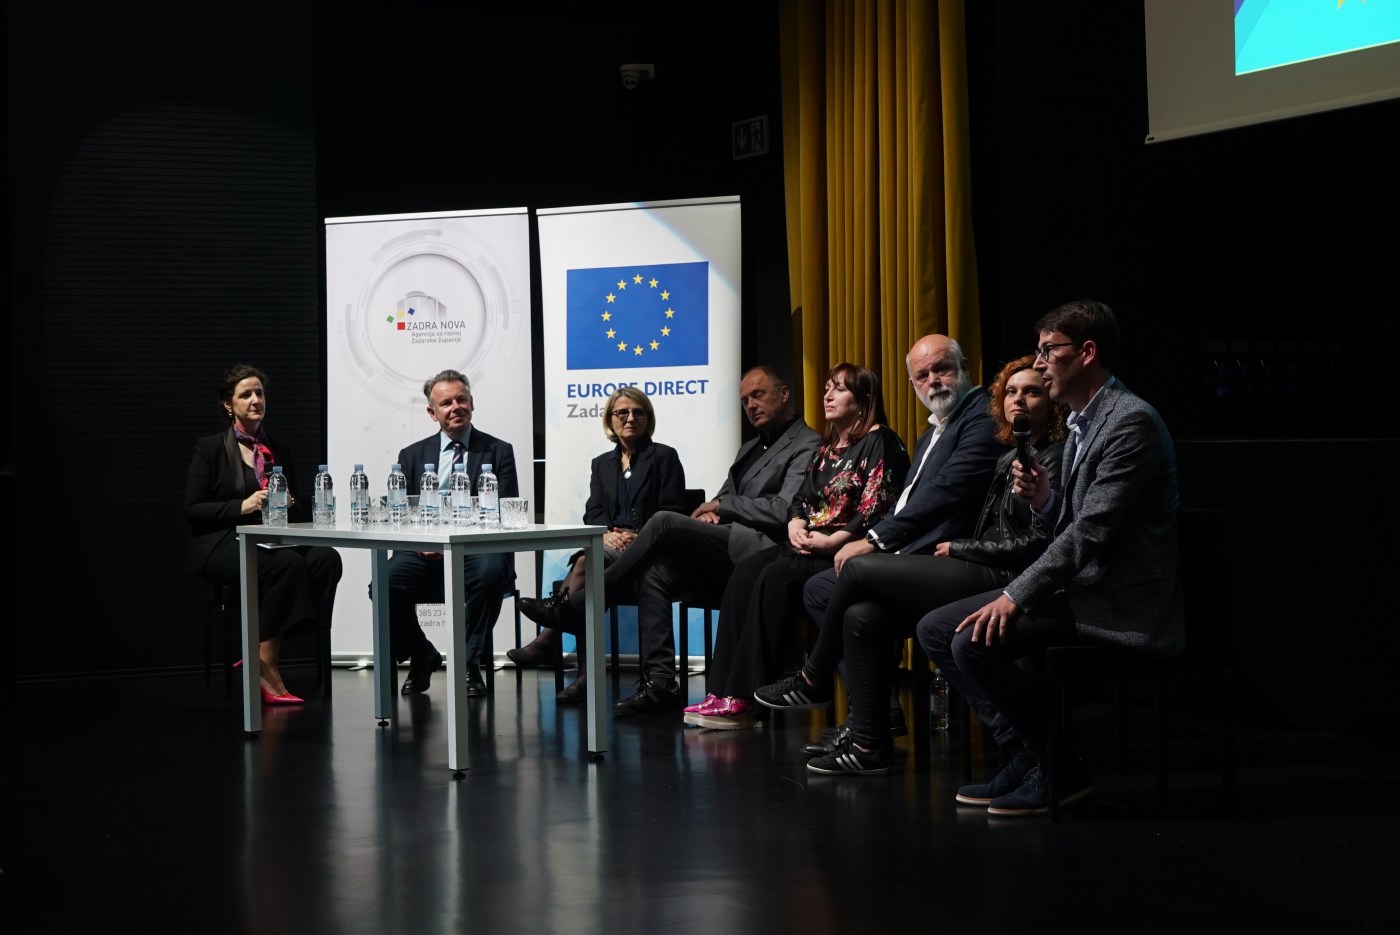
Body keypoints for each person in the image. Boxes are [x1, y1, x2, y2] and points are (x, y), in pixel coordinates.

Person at [918, 300, 1182, 815]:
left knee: (972, 643)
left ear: (1087, 353)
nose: (1039, 364)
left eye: (1047, 351)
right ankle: (1029, 754)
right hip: (1081, 587)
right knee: (934, 629)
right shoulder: (1085, 420)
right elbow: (1073, 523)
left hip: (1117, 600)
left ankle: (1058, 769)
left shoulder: (1129, 421)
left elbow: (1090, 534)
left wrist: (1015, 596)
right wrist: (1045, 502)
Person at [754, 355, 1067, 772]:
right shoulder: (994, 454)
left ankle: (814, 676)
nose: (1019, 400)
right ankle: (868, 742)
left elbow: (1028, 536)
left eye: (1031, 392)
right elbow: (992, 525)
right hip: (969, 558)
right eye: (1011, 392)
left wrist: (947, 547)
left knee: (853, 571)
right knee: (859, 615)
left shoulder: (1047, 453)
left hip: (1001, 573)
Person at [518, 366, 822, 717]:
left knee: (663, 521)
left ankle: (579, 604)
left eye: (758, 395)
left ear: (784, 394)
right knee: (655, 570)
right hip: (727, 542)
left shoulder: (807, 443)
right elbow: (722, 496)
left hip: (762, 550)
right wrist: (711, 512)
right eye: (744, 401)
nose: (751, 405)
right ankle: (660, 682)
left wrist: (722, 507)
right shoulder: (750, 448)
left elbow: (784, 509)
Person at [758, 335, 1001, 731]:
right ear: (912, 384)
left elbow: (946, 493)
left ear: (966, 368)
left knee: (845, 575)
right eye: (922, 375)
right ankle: (872, 726)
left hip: (951, 556)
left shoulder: (981, 417)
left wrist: (872, 541)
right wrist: (799, 523)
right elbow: (901, 501)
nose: (933, 381)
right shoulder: (931, 434)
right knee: (822, 591)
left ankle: (817, 681)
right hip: (910, 552)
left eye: (942, 369)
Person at [685, 364, 909, 729]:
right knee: (747, 571)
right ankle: (721, 689)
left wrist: (835, 539)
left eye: (839, 389)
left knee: (774, 577)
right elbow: (800, 500)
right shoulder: (827, 449)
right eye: (827, 388)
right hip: (809, 544)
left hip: (847, 550)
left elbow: (879, 505)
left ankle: (745, 696)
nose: (827, 395)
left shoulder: (880, 440)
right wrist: (795, 524)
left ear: (864, 398)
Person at [507, 386, 687, 703]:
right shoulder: (601, 463)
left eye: (638, 412)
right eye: (622, 412)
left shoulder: (664, 457)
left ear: (647, 418)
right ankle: (575, 666)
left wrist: (639, 535)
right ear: (610, 419)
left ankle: (555, 646)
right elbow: (593, 511)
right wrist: (605, 533)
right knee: (589, 567)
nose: (630, 418)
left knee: (584, 565)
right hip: (610, 548)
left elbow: (673, 510)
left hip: (650, 552)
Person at [184, 364, 343, 704]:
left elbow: (297, 510)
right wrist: (242, 505)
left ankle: (260, 649)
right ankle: (266, 666)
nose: (256, 400)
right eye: (246, 395)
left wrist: (291, 502)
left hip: (271, 540)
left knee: (326, 558)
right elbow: (193, 509)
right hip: (221, 541)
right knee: (288, 565)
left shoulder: (279, 447)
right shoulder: (210, 448)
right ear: (228, 404)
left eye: (259, 393)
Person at [386, 369, 519, 698]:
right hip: (424, 551)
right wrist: (424, 544)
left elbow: (504, 511)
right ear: (432, 413)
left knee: (490, 574)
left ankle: (468, 662)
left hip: (476, 550)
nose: (456, 407)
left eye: (462, 399)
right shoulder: (411, 455)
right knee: (384, 584)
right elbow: (402, 513)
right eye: (446, 403)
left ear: (472, 403)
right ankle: (422, 653)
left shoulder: (498, 451)